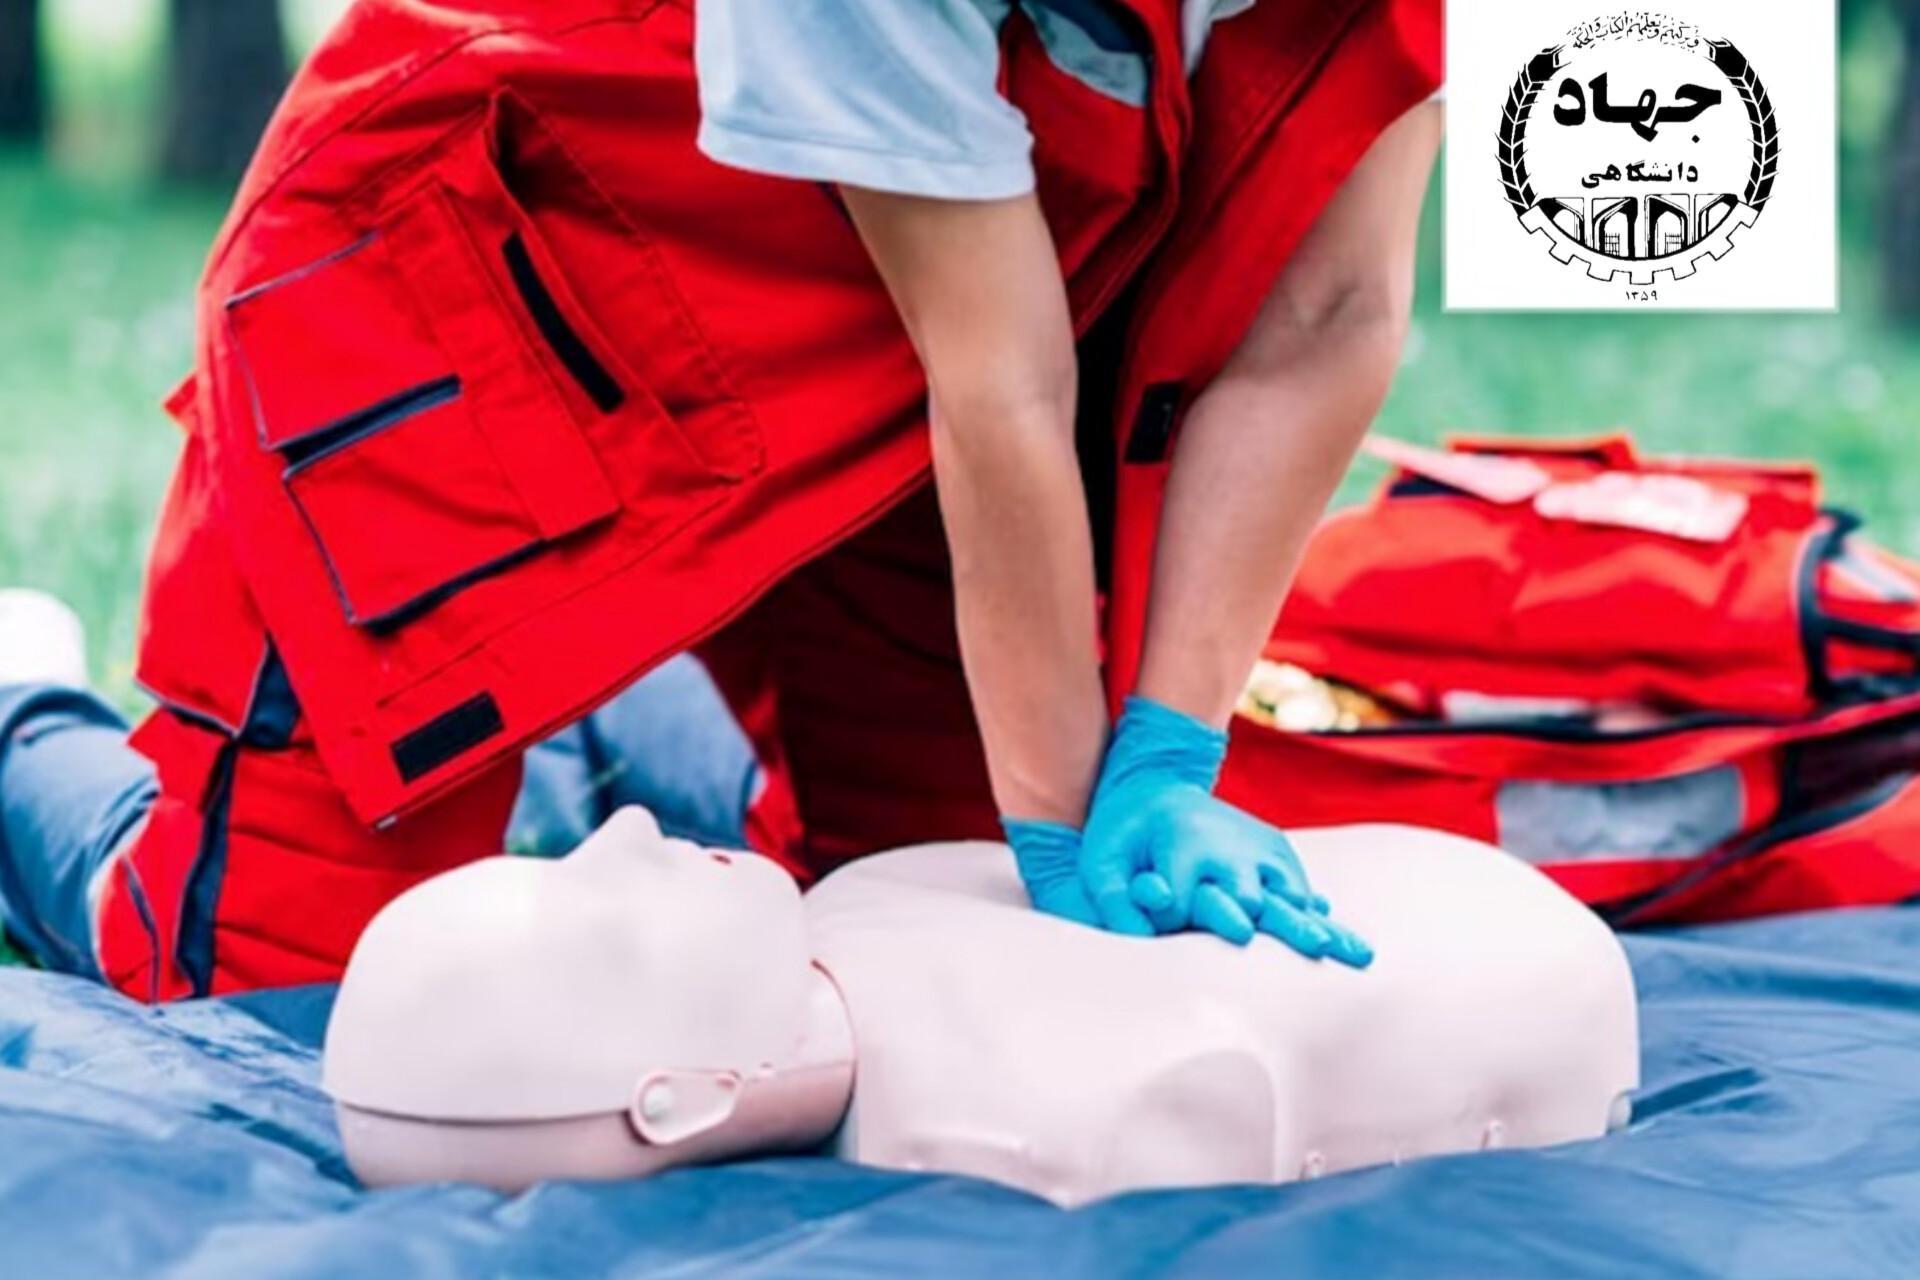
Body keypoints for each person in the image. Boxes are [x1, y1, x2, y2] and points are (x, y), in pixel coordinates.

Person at [0, 0, 1442, 1001]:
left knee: (933, 939)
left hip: (883, 388)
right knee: (275, 991)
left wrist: (1170, 752)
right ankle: (19, 708)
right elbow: (997, 384)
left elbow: (1331, 310)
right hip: (485, 303)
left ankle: (608, 707)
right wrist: (1068, 826)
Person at [325, 806, 1640, 1205]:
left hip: (1477, 914)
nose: (623, 831)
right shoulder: (1040, 1123)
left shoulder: (859, 890)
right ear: (672, 1103)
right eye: (599, 925)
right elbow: (1214, 1087)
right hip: (1519, 980)